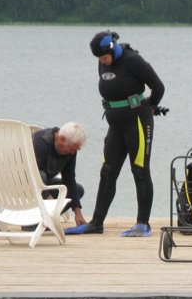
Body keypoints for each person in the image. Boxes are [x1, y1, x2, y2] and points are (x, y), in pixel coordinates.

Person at [66, 30, 165, 237]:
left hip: (137, 121)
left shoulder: (133, 60)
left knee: (140, 171)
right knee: (108, 171)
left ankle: (142, 223)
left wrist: (151, 106)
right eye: (99, 59)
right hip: (115, 125)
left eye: (104, 57)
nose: (103, 61)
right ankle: (97, 222)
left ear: (112, 48)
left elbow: (158, 87)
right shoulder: (102, 62)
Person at [32, 122, 87, 226]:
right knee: (41, 175)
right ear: (61, 139)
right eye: (72, 148)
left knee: (78, 190)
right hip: (24, 184)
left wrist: (77, 213)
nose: (72, 153)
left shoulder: (71, 151)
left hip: (43, 184)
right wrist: (49, 199)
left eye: (75, 150)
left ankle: (47, 219)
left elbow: (69, 179)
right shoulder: (42, 142)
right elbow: (31, 175)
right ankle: (33, 222)